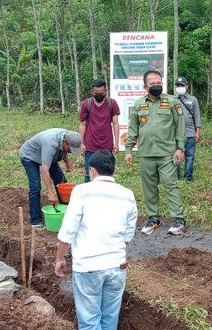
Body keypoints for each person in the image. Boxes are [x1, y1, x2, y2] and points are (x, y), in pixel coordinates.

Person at [55, 150, 136, 330]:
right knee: (110, 317)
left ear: (92, 171)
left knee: (90, 321)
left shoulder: (81, 191)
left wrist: (59, 259)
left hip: (88, 267)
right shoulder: (128, 195)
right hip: (117, 266)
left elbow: (67, 233)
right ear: (114, 170)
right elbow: (128, 236)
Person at [125, 70, 187, 235]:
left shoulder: (172, 102)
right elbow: (133, 129)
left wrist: (180, 148)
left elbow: (180, 127)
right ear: (145, 86)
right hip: (146, 154)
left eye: (158, 82)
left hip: (167, 153)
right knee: (149, 188)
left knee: (170, 185)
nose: (156, 86)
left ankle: (179, 219)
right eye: (152, 84)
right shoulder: (139, 104)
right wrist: (129, 150)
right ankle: (154, 218)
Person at [19, 129, 82, 228]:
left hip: (48, 156)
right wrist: (50, 192)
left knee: (62, 182)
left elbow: (64, 151)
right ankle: (36, 221)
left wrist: (67, 163)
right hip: (30, 157)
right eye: (71, 148)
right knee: (35, 187)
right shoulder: (50, 143)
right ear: (65, 142)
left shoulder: (67, 136)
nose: (71, 151)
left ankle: (64, 211)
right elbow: (44, 170)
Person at [79, 79, 121, 182]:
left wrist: (116, 142)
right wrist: (81, 143)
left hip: (107, 145)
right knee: (89, 174)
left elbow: (115, 123)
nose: (99, 95)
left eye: (101, 93)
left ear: (106, 91)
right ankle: (88, 197)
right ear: (92, 92)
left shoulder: (112, 103)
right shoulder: (86, 104)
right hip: (90, 146)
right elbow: (82, 125)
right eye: (96, 93)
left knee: (107, 175)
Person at [174, 76, 202, 181]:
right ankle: (176, 177)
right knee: (176, 156)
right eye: (178, 85)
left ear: (186, 86)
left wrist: (198, 132)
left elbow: (197, 116)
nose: (180, 87)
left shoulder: (193, 100)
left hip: (190, 133)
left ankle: (188, 177)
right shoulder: (173, 100)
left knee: (190, 156)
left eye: (182, 85)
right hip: (176, 134)